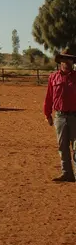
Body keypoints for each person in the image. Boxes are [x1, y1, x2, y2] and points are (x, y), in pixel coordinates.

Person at [44, 52, 76, 182]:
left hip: (75, 116)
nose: (68, 63)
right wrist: (47, 114)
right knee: (62, 146)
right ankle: (67, 173)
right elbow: (49, 97)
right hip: (60, 117)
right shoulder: (53, 77)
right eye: (65, 60)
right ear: (60, 62)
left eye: (70, 61)